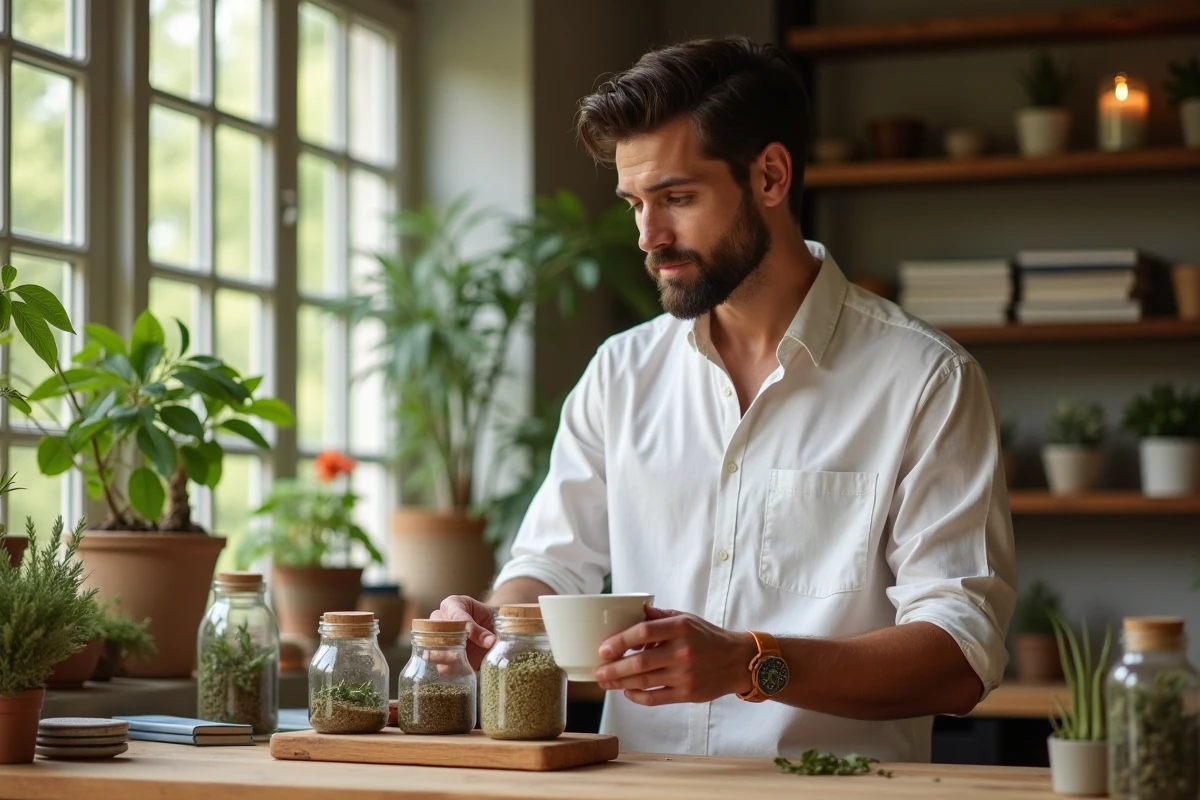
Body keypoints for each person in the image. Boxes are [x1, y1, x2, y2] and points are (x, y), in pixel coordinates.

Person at [434, 36, 1016, 763]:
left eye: (677, 197)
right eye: (634, 204)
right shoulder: (620, 374)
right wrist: (497, 619)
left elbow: (959, 655)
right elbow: (551, 567)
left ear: (770, 176)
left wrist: (750, 663)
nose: (649, 236)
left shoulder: (927, 381)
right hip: (638, 787)